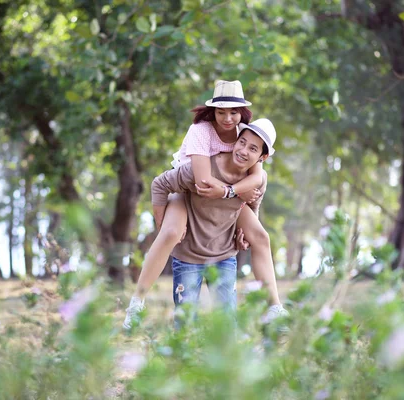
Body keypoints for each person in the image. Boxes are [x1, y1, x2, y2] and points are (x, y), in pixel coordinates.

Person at [123, 81, 287, 329]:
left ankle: (275, 307)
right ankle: (137, 303)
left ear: (242, 111)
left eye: (233, 112)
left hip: (228, 190)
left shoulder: (247, 134)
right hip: (187, 186)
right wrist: (161, 220)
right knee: (170, 233)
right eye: (221, 112)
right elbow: (202, 182)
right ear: (213, 111)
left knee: (261, 236)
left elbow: (256, 180)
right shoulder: (201, 131)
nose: (228, 118)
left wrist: (242, 218)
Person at [150, 120, 277, 326]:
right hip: (189, 255)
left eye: (253, 148)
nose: (244, 151)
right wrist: (162, 224)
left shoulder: (256, 180)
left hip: (224, 255)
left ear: (262, 157)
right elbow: (160, 184)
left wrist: (243, 232)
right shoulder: (202, 168)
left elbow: (254, 206)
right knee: (185, 323)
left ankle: (275, 308)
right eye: (241, 142)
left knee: (227, 325)